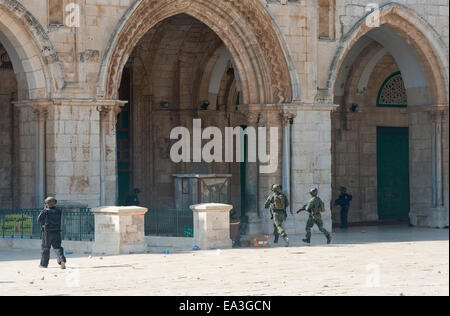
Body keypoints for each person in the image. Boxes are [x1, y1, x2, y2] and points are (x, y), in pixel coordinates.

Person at [37, 197, 66, 269]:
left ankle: (43, 264)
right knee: (58, 247)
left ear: (47, 204)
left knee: (45, 248)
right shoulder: (58, 211)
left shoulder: (46, 211)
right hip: (57, 231)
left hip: (47, 232)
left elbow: (39, 219)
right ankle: (62, 260)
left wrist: (44, 209)